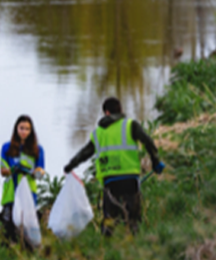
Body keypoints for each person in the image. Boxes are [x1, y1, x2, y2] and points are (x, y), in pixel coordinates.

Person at [65, 95, 167, 230]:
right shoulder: (130, 125)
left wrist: (70, 166)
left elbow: (85, 153)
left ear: (106, 112)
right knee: (133, 218)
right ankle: (135, 243)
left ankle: (107, 245)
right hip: (130, 178)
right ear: (121, 110)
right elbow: (148, 142)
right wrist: (156, 162)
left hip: (110, 180)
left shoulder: (98, 133)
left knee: (110, 219)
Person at [0, 114, 51, 246]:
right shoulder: (7, 148)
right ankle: (11, 249)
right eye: (21, 128)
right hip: (11, 191)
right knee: (9, 224)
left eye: (27, 129)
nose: (24, 132)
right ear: (16, 129)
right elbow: (2, 171)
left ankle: (29, 250)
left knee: (27, 223)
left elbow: (40, 172)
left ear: (31, 131)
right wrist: (13, 170)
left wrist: (31, 172)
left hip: (29, 192)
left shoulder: (38, 150)